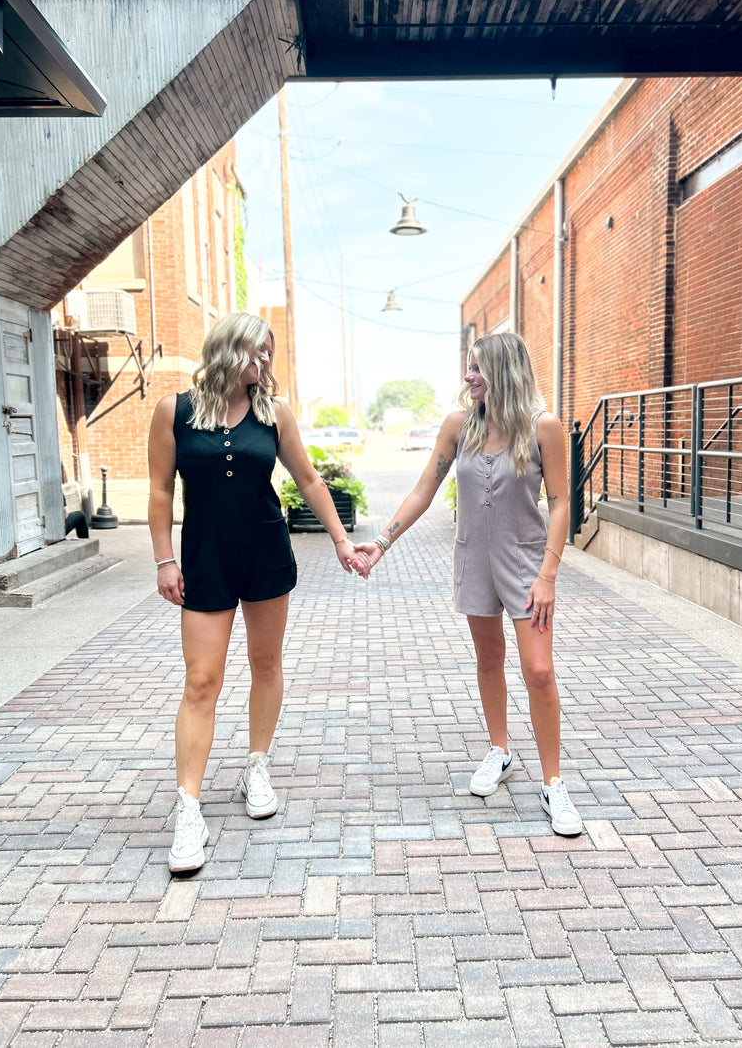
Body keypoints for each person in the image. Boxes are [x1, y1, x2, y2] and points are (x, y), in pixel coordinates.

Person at [148, 312, 368, 873]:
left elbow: (310, 480)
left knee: (265, 662)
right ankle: (189, 807)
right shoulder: (174, 412)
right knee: (202, 679)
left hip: (266, 551)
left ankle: (256, 765)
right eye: (258, 349)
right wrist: (163, 560)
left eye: (270, 352)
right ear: (227, 347)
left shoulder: (275, 414)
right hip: (204, 558)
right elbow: (158, 491)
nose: (266, 360)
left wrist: (342, 541)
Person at [355, 332, 582, 836]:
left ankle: (553, 782)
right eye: (467, 366)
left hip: (527, 565)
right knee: (489, 658)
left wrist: (549, 575)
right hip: (472, 558)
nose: (468, 376)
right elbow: (424, 488)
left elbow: (562, 502)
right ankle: (499, 750)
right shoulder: (459, 426)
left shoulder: (543, 427)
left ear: (503, 371)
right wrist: (382, 543)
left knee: (539, 670)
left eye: (477, 367)